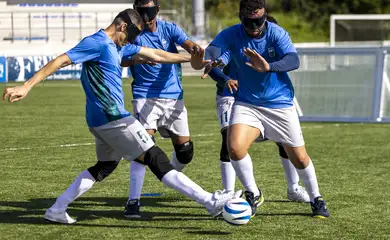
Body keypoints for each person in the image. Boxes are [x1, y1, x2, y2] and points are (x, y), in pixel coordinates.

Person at [2, 8, 240, 224]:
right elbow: (60, 60)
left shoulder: (118, 45)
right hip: (114, 119)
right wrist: (26, 86)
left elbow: (157, 54)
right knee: (157, 160)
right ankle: (211, 202)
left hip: (99, 121)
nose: (131, 43)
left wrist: (193, 58)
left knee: (104, 166)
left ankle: (57, 208)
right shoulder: (97, 43)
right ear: (122, 27)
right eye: (130, 37)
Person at [192, 0, 329, 219]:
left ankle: (316, 198)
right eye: (250, 22)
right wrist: (209, 60)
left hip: (280, 104)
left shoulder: (277, 33)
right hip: (247, 103)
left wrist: (269, 67)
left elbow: (293, 60)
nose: (255, 28)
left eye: (259, 21)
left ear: (265, 16)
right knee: (234, 147)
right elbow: (215, 52)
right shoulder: (231, 34)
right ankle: (253, 193)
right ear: (240, 16)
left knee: (300, 158)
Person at [208, 15, 310, 203]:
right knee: (228, 141)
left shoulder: (274, 45)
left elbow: (290, 62)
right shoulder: (237, 43)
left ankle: (294, 188)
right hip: (230, 96)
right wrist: (223, 77)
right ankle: (229, 191)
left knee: (284, 143)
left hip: (262, 100)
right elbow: (216, 63)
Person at [120, 0, 202, 218]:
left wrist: (195, 49)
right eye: (141, 12)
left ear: (157, 10)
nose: (146, 17)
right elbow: (119, 59)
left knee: (185, 152)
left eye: (149, 11)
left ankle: (171, 176)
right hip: (145, 96)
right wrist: (138, 59)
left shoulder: (169, 28)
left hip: (174, 97)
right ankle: (133, 202)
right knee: (143, 149)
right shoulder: (131, 33)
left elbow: (188, 45)